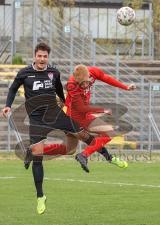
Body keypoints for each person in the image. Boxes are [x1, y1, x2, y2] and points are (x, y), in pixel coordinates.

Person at [1, 43, 112, 214]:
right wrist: (7, 105)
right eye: (39, 56)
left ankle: (107, 155)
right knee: (37, 156)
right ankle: (40, 197)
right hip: (37, 120)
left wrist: (65, 103)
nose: (42, 59)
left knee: (82, 133)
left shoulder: (54, 72)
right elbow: (13, 88)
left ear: (48, 57)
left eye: (45, 56)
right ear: (35, 56)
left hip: (55, 114)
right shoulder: (24, 73)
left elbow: (60, 90)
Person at [34, 64, 136, 170]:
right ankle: (86, 155)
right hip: (76, 117)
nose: (85, 85)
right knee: (109, 132)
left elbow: (106, 78)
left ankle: (35, 151)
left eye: (87, 82)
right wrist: (102, 110)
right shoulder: (72, 85)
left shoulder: (93, 72)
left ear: (89, 76)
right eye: (81, 84)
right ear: (76, 80)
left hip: (74, 117)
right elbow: (81, 108)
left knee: (70, 150)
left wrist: (125, 87)